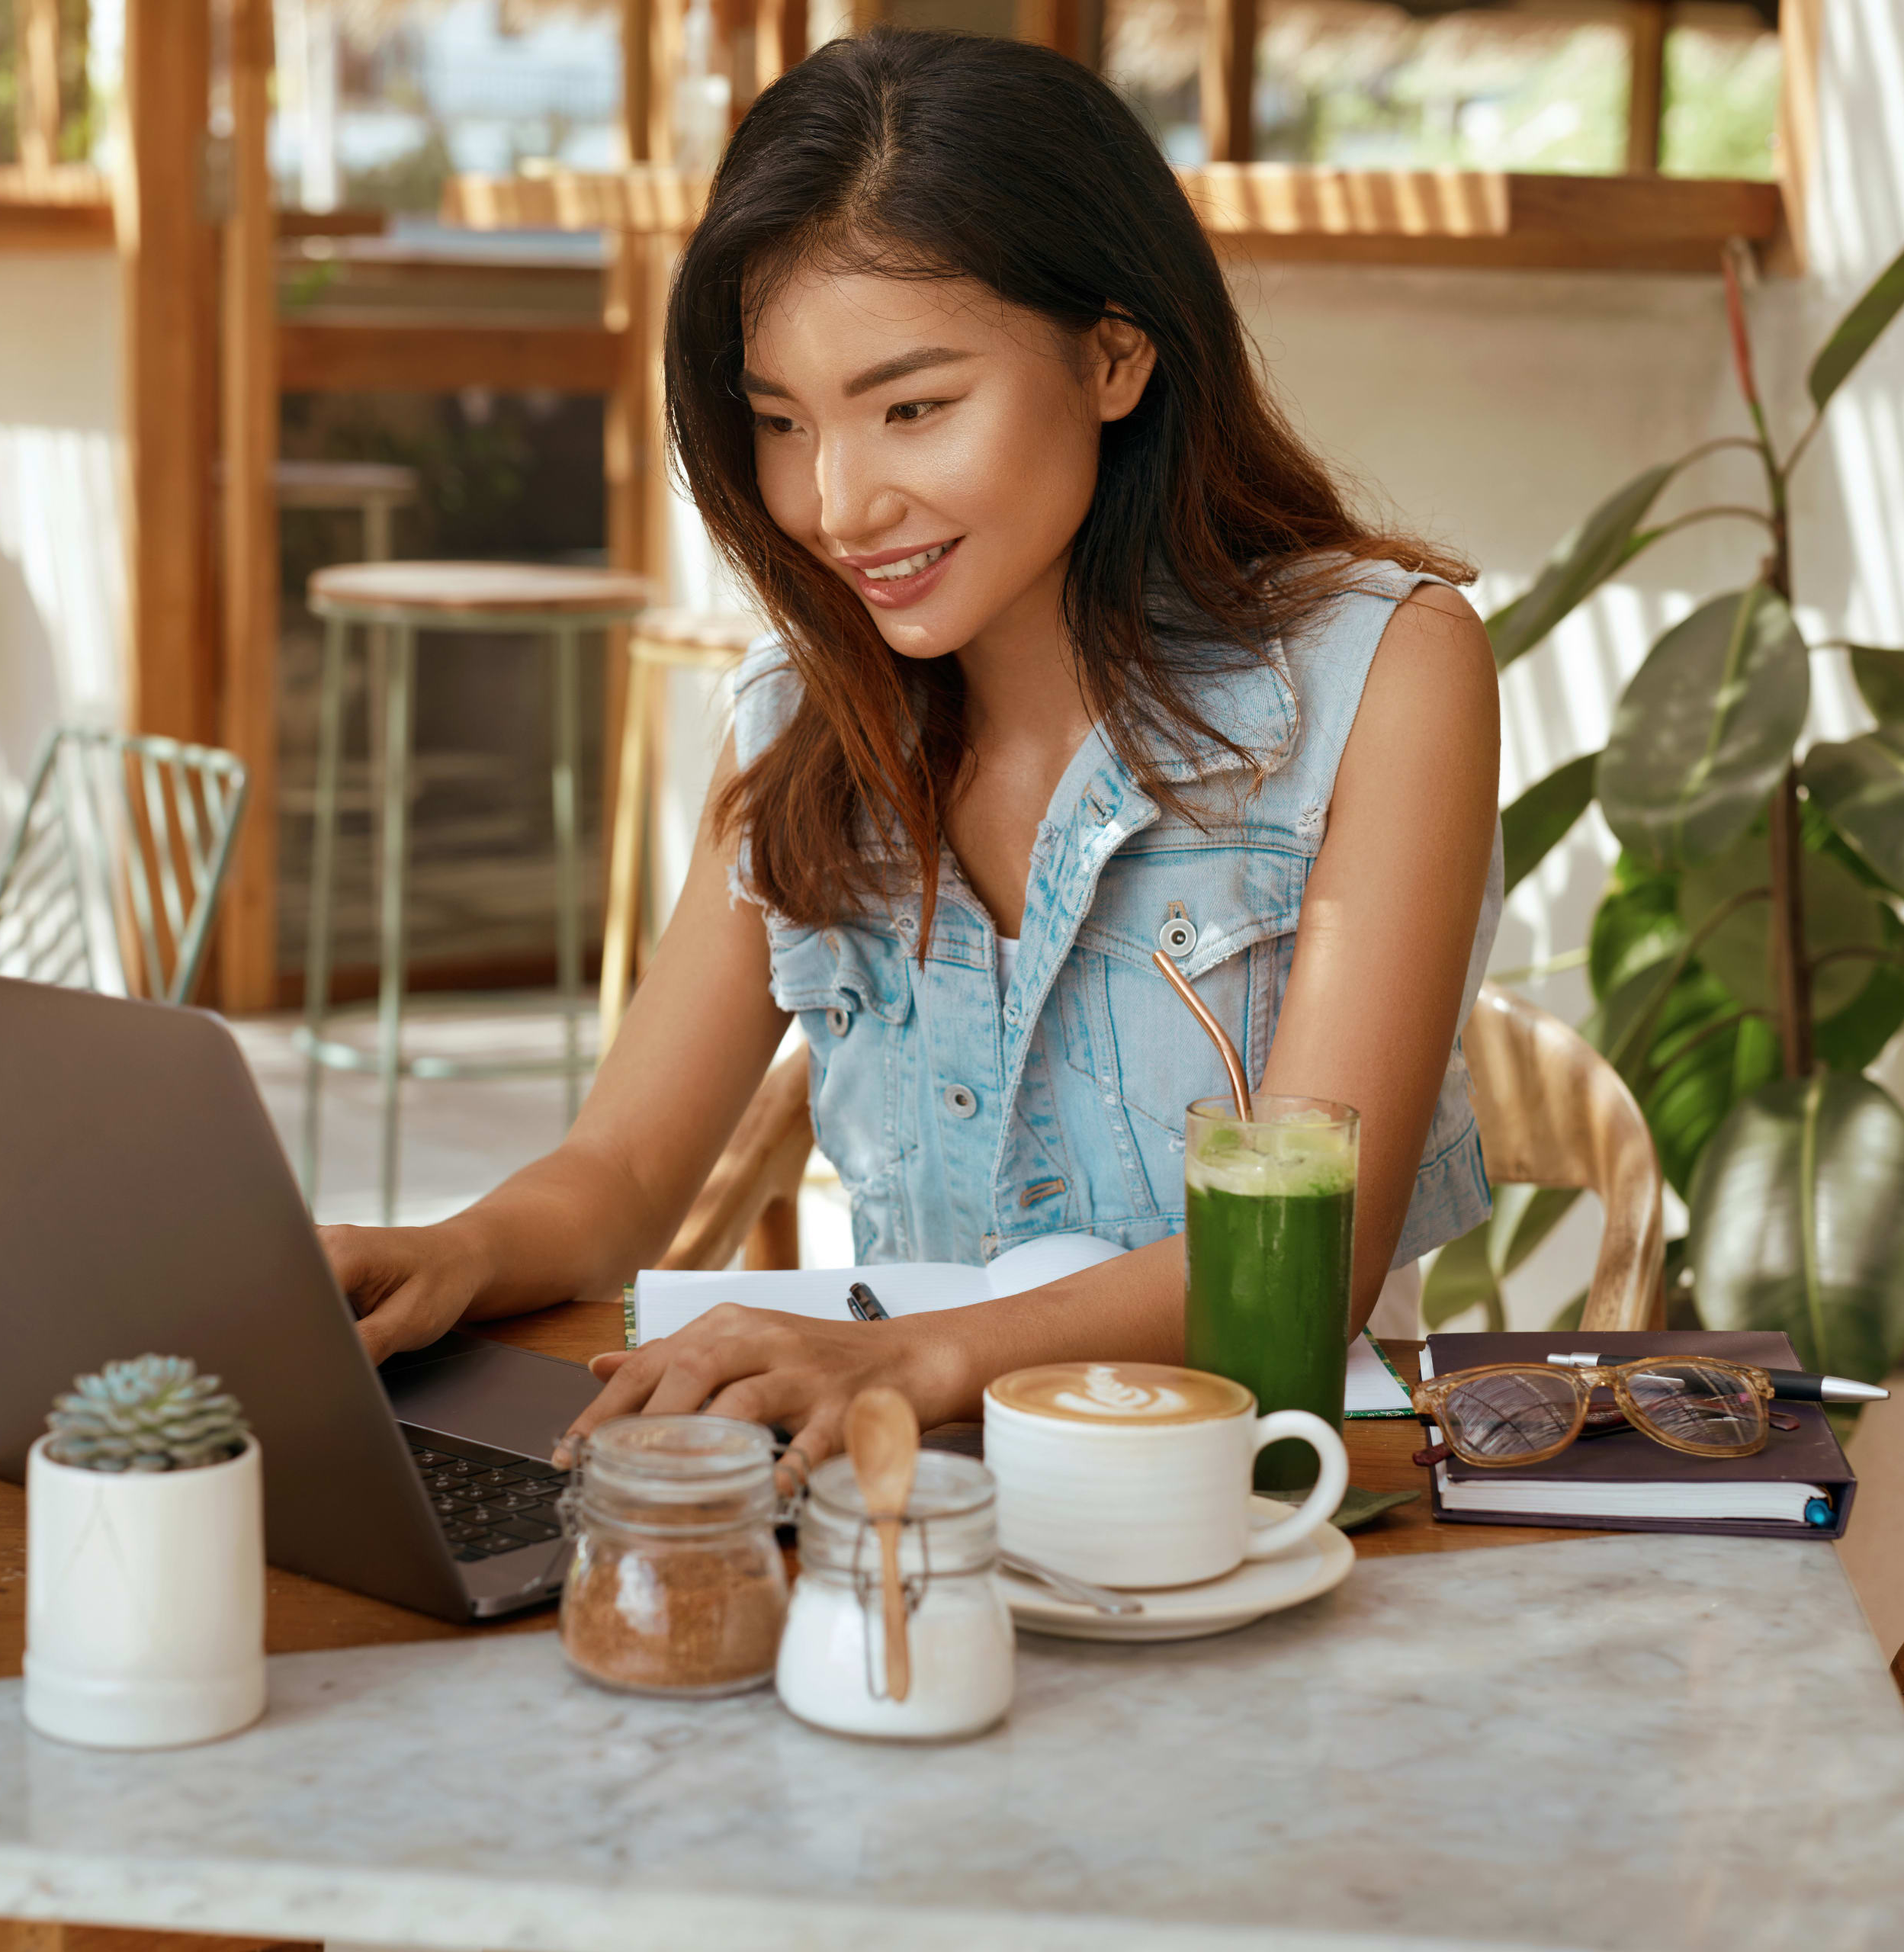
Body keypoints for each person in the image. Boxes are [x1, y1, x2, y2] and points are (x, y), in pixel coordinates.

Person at [326, 29, 1501, 1484]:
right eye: (780, 423)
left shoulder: (1383, 672)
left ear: (1115, 355)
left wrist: (903, 1357)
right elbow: (621, 1176)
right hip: (904, 1523)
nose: (837, 503)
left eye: (912, 409)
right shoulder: (800, 715)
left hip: (1256, 1519)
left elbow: (1307, 1259)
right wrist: (444, 1253)